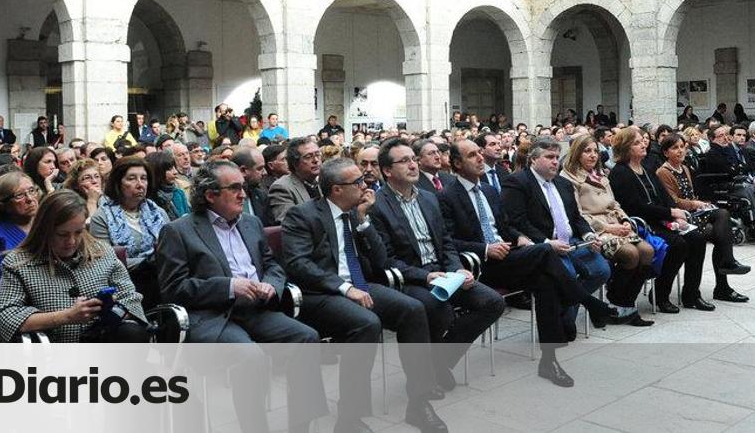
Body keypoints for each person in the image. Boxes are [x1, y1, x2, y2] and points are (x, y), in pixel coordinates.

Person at [157, 160, 326, 433]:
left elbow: (272, 265)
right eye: (234, 188)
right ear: (210, 195)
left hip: (255, 308)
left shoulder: (251, 222)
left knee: (307, 338)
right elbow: (174, 288)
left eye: (243, 187)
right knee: (251, 358)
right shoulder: (178, 230)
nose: (243, 194)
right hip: (213, 316)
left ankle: (301, 426)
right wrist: (227, 286)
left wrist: (271, 284)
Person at [281, 158, 449, 433]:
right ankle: (349, 419)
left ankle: (418, 402)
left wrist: (363, 221)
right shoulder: (303, 215)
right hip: (323, 292)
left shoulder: (355, 213)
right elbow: (299, 265)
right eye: (358, 182)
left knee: (413, 309)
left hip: (362, 285)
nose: (366, 185)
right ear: (336, 189)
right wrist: (345, 288)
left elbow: (382, 261)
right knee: (366, 324)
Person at [439, 139, 606, 387]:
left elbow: (506, 226)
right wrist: (485, 248)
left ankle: (549, 360)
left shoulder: (488, 191)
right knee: (546, 253)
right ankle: (589, 301)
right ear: (456, 164)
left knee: (545, 280)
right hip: (479, 264)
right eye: (472, 155)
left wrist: (520, 238)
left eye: (479, 153)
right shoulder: (447, 196)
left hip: (508, 257)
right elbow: (448, 241)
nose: (480, 158)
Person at [370, 138, 505, 391]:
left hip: (443, 271)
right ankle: (428, 374)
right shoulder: (377, 206)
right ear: (387, 171)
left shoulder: (429, 199)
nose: (413, 165)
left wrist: (457, 268)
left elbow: (446, 242)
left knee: (492, 302)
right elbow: (386, 260)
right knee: (438, 307)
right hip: (410, 277)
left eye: (413, 159)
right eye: (404, 161)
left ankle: (437, 362)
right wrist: (426, 277)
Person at [0, 190, 147, 343]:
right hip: (55, 351)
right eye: (62, 234)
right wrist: (66, 317)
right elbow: (4, 318)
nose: (72, 241)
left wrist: (112, 311)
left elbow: (131, 298)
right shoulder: (19, 263)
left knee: (132, 333)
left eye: (78, 232)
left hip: (104, 341)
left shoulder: (102, 252)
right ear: (44, 230)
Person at [502, 137, 616, 336]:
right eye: (549, 157)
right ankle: (566, 319)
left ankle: (566, 312)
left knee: (602, 270)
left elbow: (576, 217)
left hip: (573, 242)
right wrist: (546, 243)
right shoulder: (518, 182)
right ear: (533, 160)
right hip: (544, 246)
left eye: (557, 157)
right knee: (568, 276)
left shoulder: (562, 183)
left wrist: (589, 234)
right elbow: (518, 222)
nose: (555, 161)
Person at [607, 127, 707, 312]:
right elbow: (635, 207)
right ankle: (660, 295)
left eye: (642, 141)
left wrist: (676, 212)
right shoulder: (620, 173)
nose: (644, 144)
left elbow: (663, 196)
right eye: (637, 143)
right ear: (626, 148)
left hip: (659, 219)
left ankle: (691, 294)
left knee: (697, 238)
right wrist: (670, 214)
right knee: (678, 245)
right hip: (642, 223)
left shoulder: (646, 169)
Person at [560, 134, 655, 326]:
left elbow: (614, 203)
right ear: (577, 153)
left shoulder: (601, 174)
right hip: (595, 230)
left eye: (595, 151)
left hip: (616, 224)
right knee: (630, 255)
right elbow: (578, 215)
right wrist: (607, 227)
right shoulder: (569, 177)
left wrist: (625, 219)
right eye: (587, 151)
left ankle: (624, 303)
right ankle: (617, 300)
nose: (593, 155)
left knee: (647, 251)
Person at [657, 133, 751, 303]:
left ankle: (723, 279)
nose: (680, 151)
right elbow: (673, 201)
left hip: (693, 213)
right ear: (665, 152)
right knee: (719, 232)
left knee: (722, 219)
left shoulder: (684, 168)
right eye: (674, 148)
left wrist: (701, 204)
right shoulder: (663, 172)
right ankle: (723, 280)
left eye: (682, 147)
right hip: (681, 216)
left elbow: (691, 194)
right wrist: (696, 204)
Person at [88, 156, 169, 307]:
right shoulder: (102, 216)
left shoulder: (158, 212)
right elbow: (103, 261)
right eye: (132, 179)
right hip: (123, 284)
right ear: (118, 183)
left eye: (144, 178)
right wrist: (146, 263)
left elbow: (172, 251)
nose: (140, 184)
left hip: (161, 279)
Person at [0, 171, 39, 296]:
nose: (30, 199)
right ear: (3, 204)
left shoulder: (49, 223)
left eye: (32, 190)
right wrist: (37, 287)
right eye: (19, 195)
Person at [269, 137, 322, 222]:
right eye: (308, 157)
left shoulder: (323, 182)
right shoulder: (282, 188)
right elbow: (290, 223)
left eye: (318, 155)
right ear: (295, 163)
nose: (316, 160)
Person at [231, 147, 270, 224]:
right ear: (243, 170)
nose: (265, 173)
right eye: (260, 169)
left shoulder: (261, 196)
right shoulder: (225, 198)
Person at [147, 150, 189, 220]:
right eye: (169, 169)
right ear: (157, 172)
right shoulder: (150, 200)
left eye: (174, 168)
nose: (175, 172)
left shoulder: (179, 193)